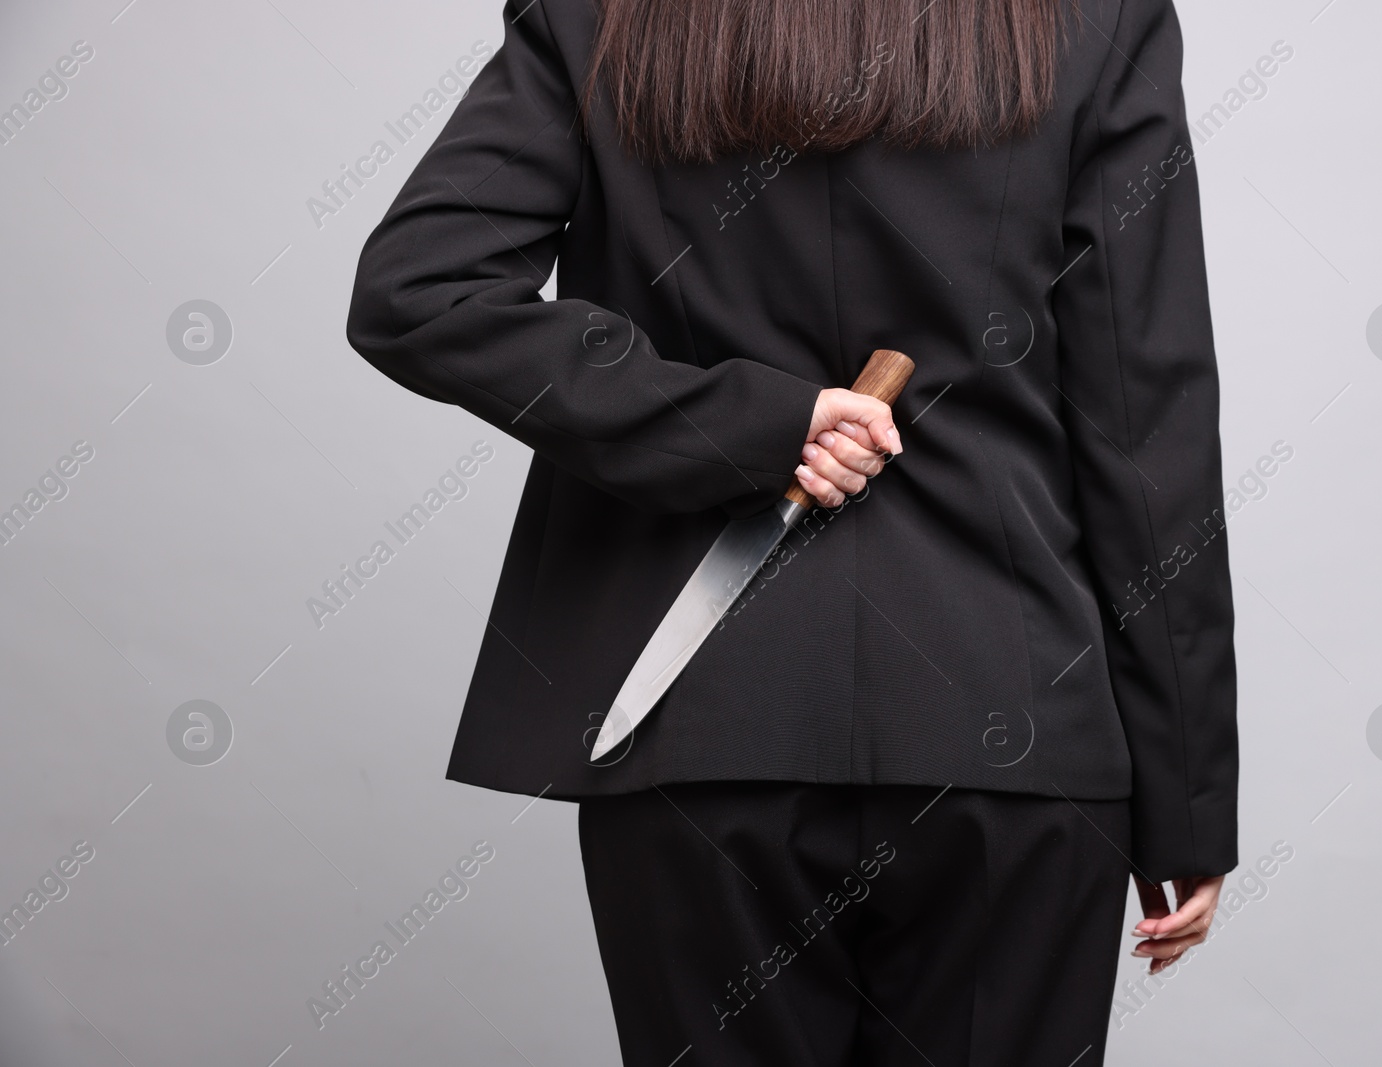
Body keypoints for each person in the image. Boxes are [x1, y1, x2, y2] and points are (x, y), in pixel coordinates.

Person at [345, 0, 1238, 1061]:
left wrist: (739, 422)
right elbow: (1146, 424)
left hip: (698, 728)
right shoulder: (1093, 18)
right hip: (1010, 721)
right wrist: (1183, 803)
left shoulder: (604, 16)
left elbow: (421, 293)